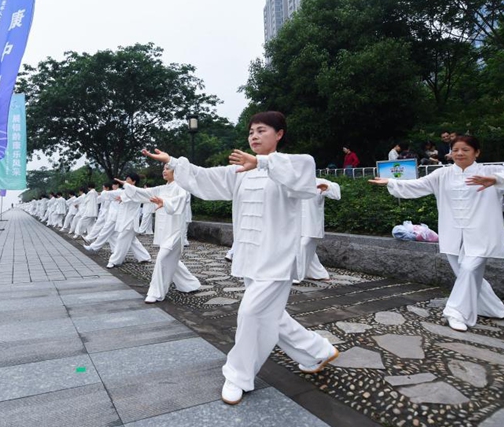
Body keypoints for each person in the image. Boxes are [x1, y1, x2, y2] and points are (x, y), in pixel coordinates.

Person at [142, 111, 338, 406]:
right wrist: (173, 162)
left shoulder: (296, 163)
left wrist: (260, 162)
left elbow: (301, 177)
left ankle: (238, 375)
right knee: (271, 316)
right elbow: (205, 179)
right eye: (251, 132)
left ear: (279, 134)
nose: (254, 136)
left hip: (277, 258)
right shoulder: (240, 172)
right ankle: (317, 351)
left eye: (261, 130)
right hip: (249, 257)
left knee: (249, 313)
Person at [369, 135, 504, 332]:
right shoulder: (442, 175)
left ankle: (455, 312)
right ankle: (492, 308)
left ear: (476, 152)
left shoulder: (488, 171)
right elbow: (418, 185)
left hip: (482, 233)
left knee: (470, 269)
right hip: (452, 233)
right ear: (450, 153)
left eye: (465, 150)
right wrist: (391, 183)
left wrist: (496, 179)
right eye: (455, 150)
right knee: (465, 272)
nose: (460, 153)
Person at [120, 165, 201, 303]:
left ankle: (156, 292)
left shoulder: (181, 187)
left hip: (175, 232)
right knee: (172, 260)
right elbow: (145, 193)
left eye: (168, 168)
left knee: (162, 259)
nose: (164, 170)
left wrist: (165, 202)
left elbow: (182, 199)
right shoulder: (162, 188)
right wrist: (129, 187)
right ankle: (190, 284)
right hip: (165, 231)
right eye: (163, 168)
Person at [297, 179, 341, 282]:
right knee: (306, 250)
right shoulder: (294, 182)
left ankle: (296, 275)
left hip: (312, 224)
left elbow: (336, 193)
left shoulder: (318, 181)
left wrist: (328, 188)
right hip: (297, 223)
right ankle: (318, 273)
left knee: (303, 246)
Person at [105, 173, 151, 269]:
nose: (126, 180)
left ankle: (114, 261)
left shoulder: (137, 192)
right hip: (125, 221)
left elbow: (131, 197)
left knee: (121, 239)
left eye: (128, 179)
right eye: (126, 178)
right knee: (132, 241)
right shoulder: (125, 191)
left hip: (130, 222)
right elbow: (117, 194)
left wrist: (122, 198)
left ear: (134, 182)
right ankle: (144, 257)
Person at [85, 182, 122, 252]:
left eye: (113, 184)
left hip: (113, 216)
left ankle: (93, 246)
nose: (112, 186)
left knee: (105, 232)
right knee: (113, 235)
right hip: (111, 216)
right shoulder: (114, 192)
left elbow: (105, 194)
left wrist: (97, 193)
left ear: (117, 185)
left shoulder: (119, 192)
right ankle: (115, 250)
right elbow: (101, 198)